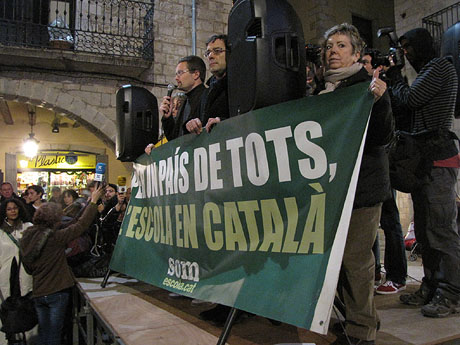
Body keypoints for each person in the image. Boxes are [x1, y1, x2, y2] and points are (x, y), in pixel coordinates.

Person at [315, 23, 393, 345]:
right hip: (333, 190)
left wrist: (381, 102)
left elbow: (383, 137)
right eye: (329, 46)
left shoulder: (368, 87)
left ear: (358, 54)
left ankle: (362, 334)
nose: (333, 51)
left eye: (341, 45)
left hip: (361, 191)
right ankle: (361, 320)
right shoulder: (321, 92)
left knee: (356, 262)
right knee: (339, 263)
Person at [385, 27, 460, 317]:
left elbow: (411, 100)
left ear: (424, 45)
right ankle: (432, 284)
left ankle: (452, 291)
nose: (406, 53)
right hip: (424, 159)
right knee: (427, 232)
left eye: (409, 47)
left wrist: (395, 78)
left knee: (441, 229)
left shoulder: (441, 66)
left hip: (438, 157)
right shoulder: (429, 70)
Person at [19, 184, 105, 345]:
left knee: (44, 332)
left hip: (39, 292)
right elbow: (80, 225)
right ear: (54, 219)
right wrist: (93, 202)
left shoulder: (27, 236)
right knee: (55, 335)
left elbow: (28, 267)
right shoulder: (55, 238)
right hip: (57, 292)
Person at [0, 198, 34, 345]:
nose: (13, 211)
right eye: (9, 209)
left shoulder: (28, 227)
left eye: (15, 208)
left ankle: (29, 338)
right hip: (6, 276)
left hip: (25, 275)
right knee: (6, 308)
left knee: (26, 306)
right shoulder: (0, 231)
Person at [186, 34, 230, 134]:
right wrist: (192, 124)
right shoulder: (206, 93)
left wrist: (222, 122)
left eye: (217, 51)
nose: (210, 56)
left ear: (229, 53)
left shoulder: (239, 85)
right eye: (208, 53)